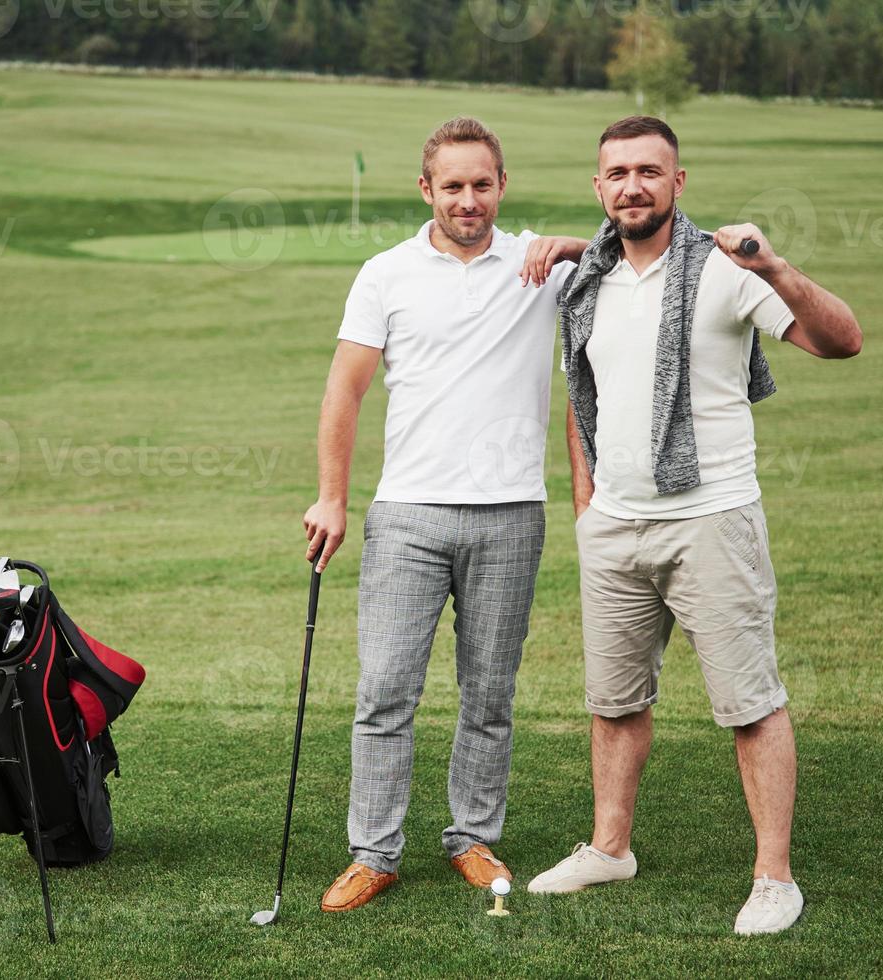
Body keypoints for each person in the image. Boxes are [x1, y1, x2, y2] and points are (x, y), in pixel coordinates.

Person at [519, 115, 862, 935]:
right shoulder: (587, 279)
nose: (631, 185)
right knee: (612, 702)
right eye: (616, 173)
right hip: (615, 529)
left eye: (648, 170)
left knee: (749, 704)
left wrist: (773, 262)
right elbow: (584, 394)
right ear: (597, 187)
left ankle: (773, 877)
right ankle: (609, 847)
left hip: (711, 522)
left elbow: (841, 341)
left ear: (678, 182)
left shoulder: (725, 268)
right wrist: (586, 505)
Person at [302, 116, 587, 913]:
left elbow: (636, 245)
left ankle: (470, 837)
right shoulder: (384, 274)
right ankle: (374, 853)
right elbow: (344, 392)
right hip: (408, 515)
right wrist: (332, 495)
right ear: (425, 189)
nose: (468, 199)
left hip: (510, 515)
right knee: (385, 690)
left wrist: (567, 244)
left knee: (488, 693)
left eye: (482, 184)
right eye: (452, 186)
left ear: (502, 185)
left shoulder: (540, 266)